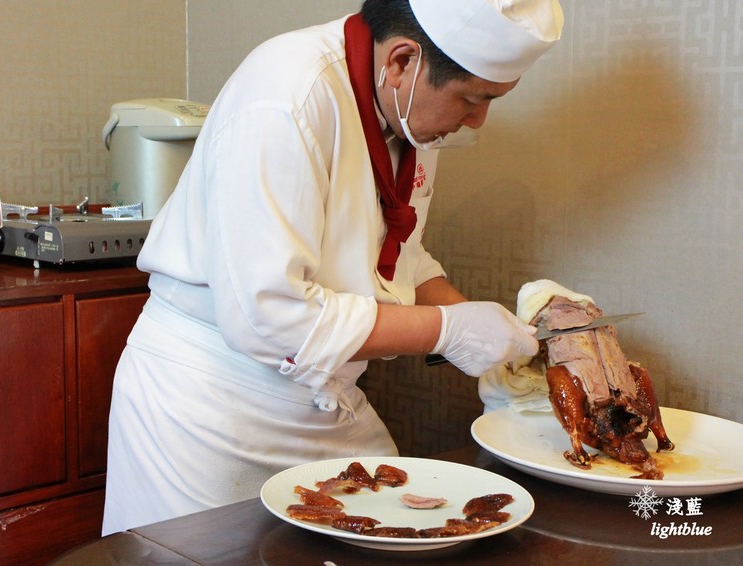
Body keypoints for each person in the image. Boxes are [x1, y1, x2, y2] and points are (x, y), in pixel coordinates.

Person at [102, 0, 563, 535]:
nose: (478, 119)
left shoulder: (405, 112)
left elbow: (398, 254)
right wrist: (449, 332)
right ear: (401, 61)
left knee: (410, 531)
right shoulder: (286, 93)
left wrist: (492, 338)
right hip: (211, 407)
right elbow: (266, 314)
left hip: (324, 400)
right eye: (472, 98)